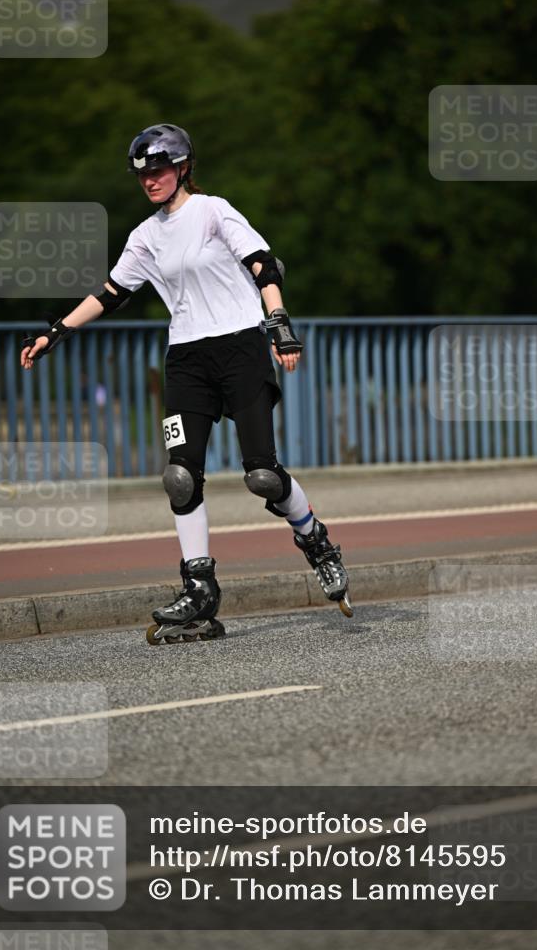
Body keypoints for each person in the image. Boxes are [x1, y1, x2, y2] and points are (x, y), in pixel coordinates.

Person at [20, 123, 352, 643]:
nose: (149, 180)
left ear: (182, 168)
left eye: (158, 170)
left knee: (262, 475)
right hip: (188, 358)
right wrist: (56, 332)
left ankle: (316, 541)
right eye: (142, 173)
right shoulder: (145, 236)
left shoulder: (213, 211)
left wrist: (279, 324)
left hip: (241, 346)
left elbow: (263, 265)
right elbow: (111, 292)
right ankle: (199, 588)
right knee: (180, 475)